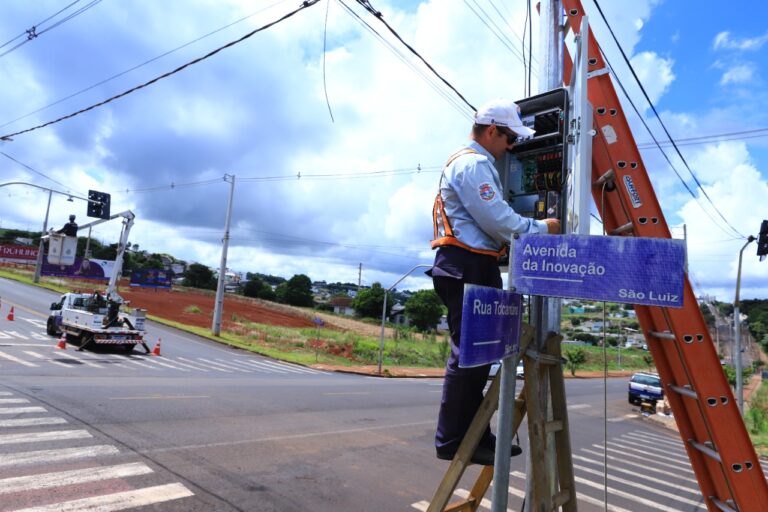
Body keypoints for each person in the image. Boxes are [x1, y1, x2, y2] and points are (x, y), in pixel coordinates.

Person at [429, 99, 560, 466]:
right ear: (491, 131)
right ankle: (453, 441)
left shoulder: (477, 164)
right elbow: (497, 219)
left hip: (475, 263)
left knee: (481, 355)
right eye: (509, 139)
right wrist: (541, 228)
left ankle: (476, 436)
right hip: (466, 264)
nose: (512, 148)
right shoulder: (472, 164)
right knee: (469, 356)